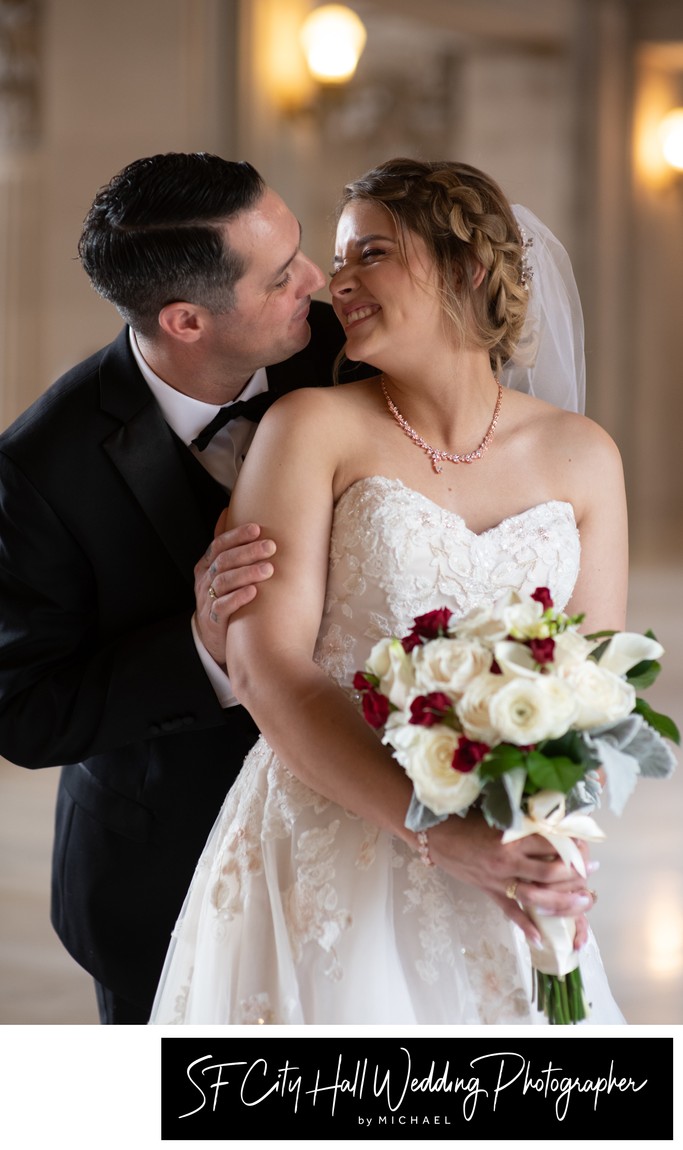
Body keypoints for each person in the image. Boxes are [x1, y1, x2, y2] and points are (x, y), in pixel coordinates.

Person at [149, 158, 628, 1025]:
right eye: (340, 259)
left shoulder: (584, 454)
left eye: (370, 252)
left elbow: (594, 688)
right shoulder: (310, 429)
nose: (339, 282)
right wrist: (439, 833)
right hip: (326, 839)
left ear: (464, 268)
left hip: (503, 838)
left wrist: (546, 839)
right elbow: (265, 665)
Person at [0, 151, 371, 1024]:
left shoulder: (351, 355)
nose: (317, 284)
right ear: (187, 320)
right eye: (282, 277)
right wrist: (202, 646)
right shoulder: (38, 471)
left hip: (357, 841)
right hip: (162, 873)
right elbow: (26, 711)